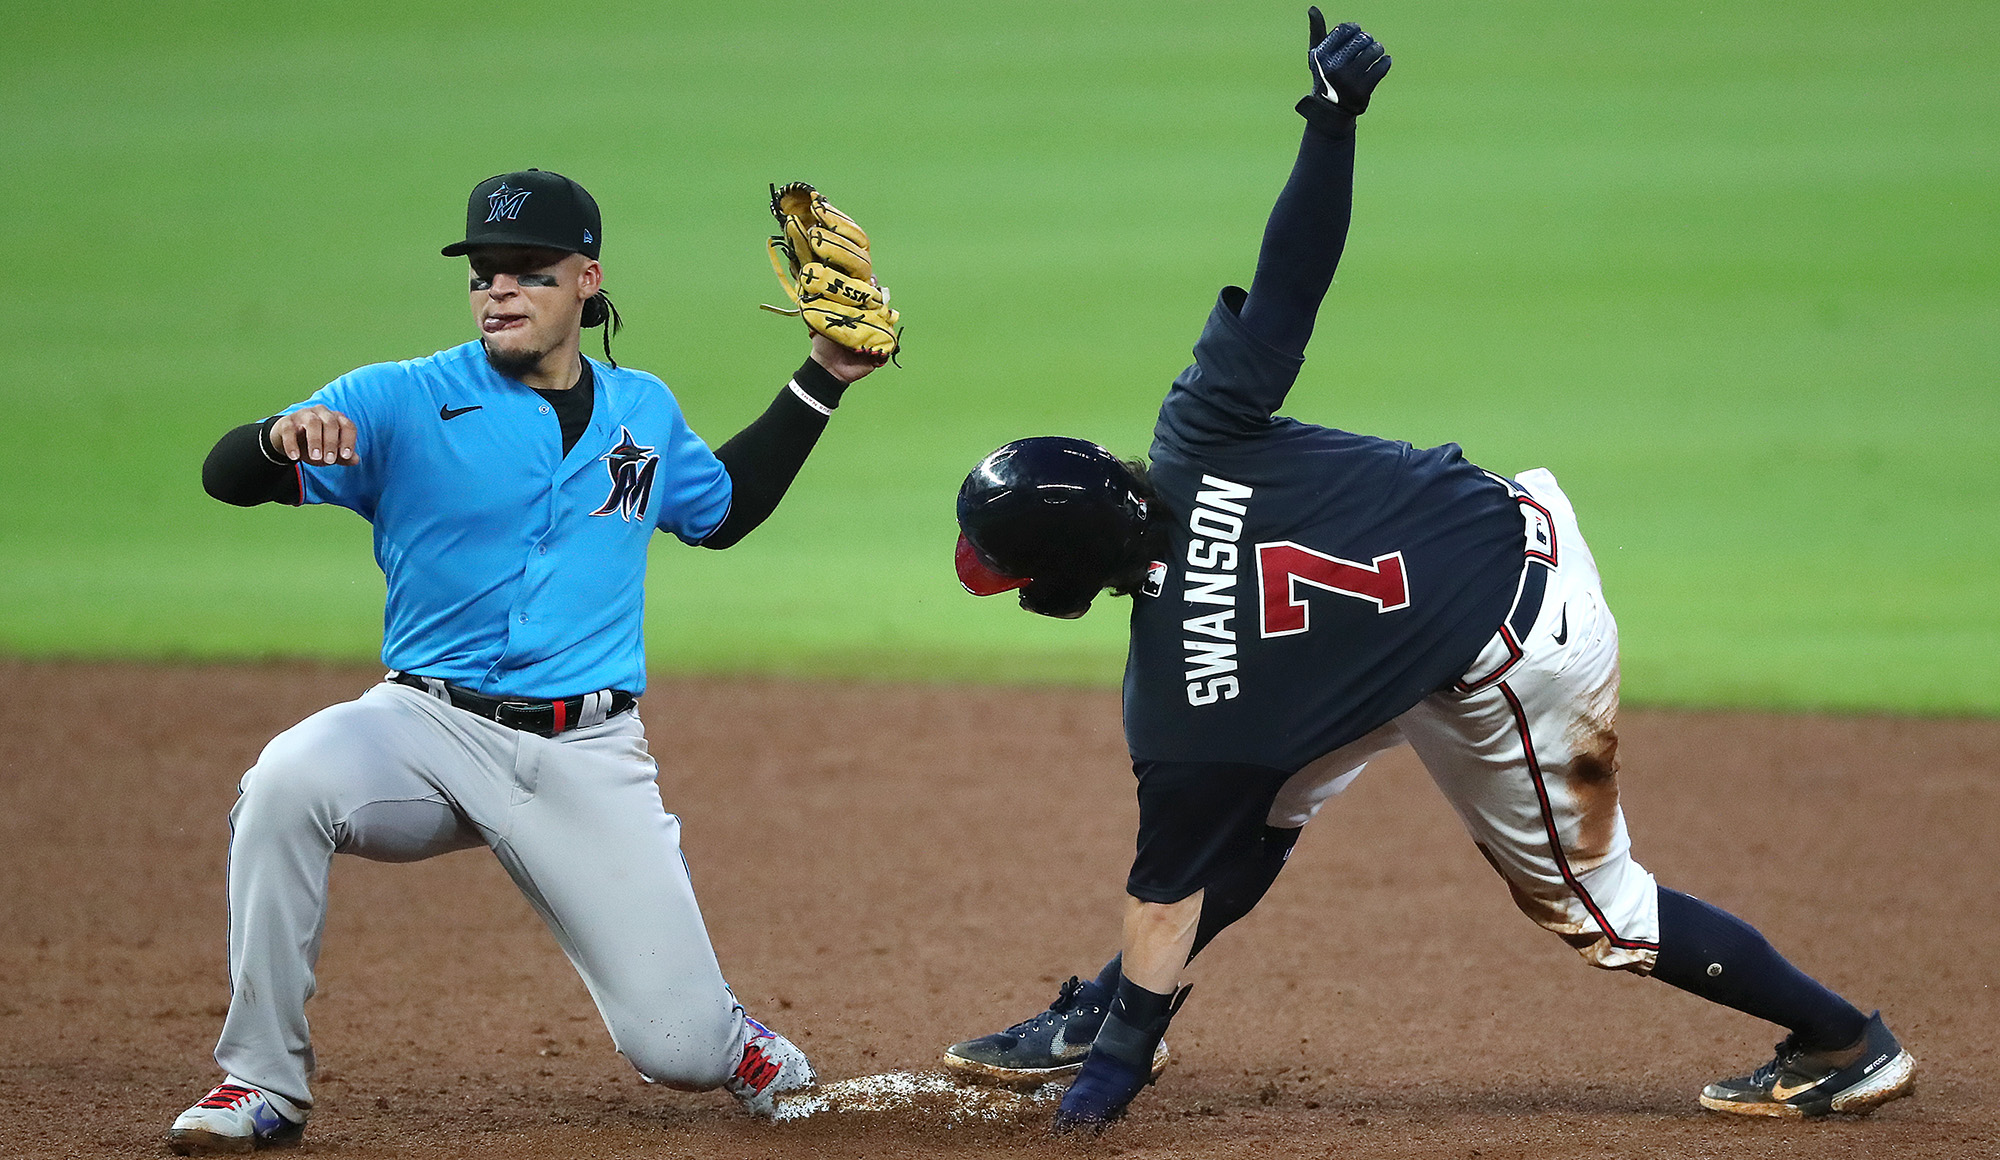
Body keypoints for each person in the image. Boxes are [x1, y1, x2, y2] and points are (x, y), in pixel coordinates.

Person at [944, 12, 1915, 1133]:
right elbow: (1290, 278)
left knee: (1598, 907)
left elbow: (1162, 896)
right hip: (1502, 529)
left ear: (1055, 577)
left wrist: (1104, 1091)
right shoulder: (1198, 427)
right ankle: (1105, 1009)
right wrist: (1331, 119)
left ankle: (1845, 1039)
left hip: (1515, 659)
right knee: (1261, 800)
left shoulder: (1184, 707)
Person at [172, 168, 886, 1154]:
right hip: (421, 729)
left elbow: (720, 512)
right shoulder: (398, 398)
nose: (497, 290)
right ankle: (261, 1080)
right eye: (482, 275)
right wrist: (272, 437)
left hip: (586, 752)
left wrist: (821, 379)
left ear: (586, 278)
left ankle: (734, 1041)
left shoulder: (640, 407)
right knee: (286, 778)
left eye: (527, 272)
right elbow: (226, 476)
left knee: (677, 1048)